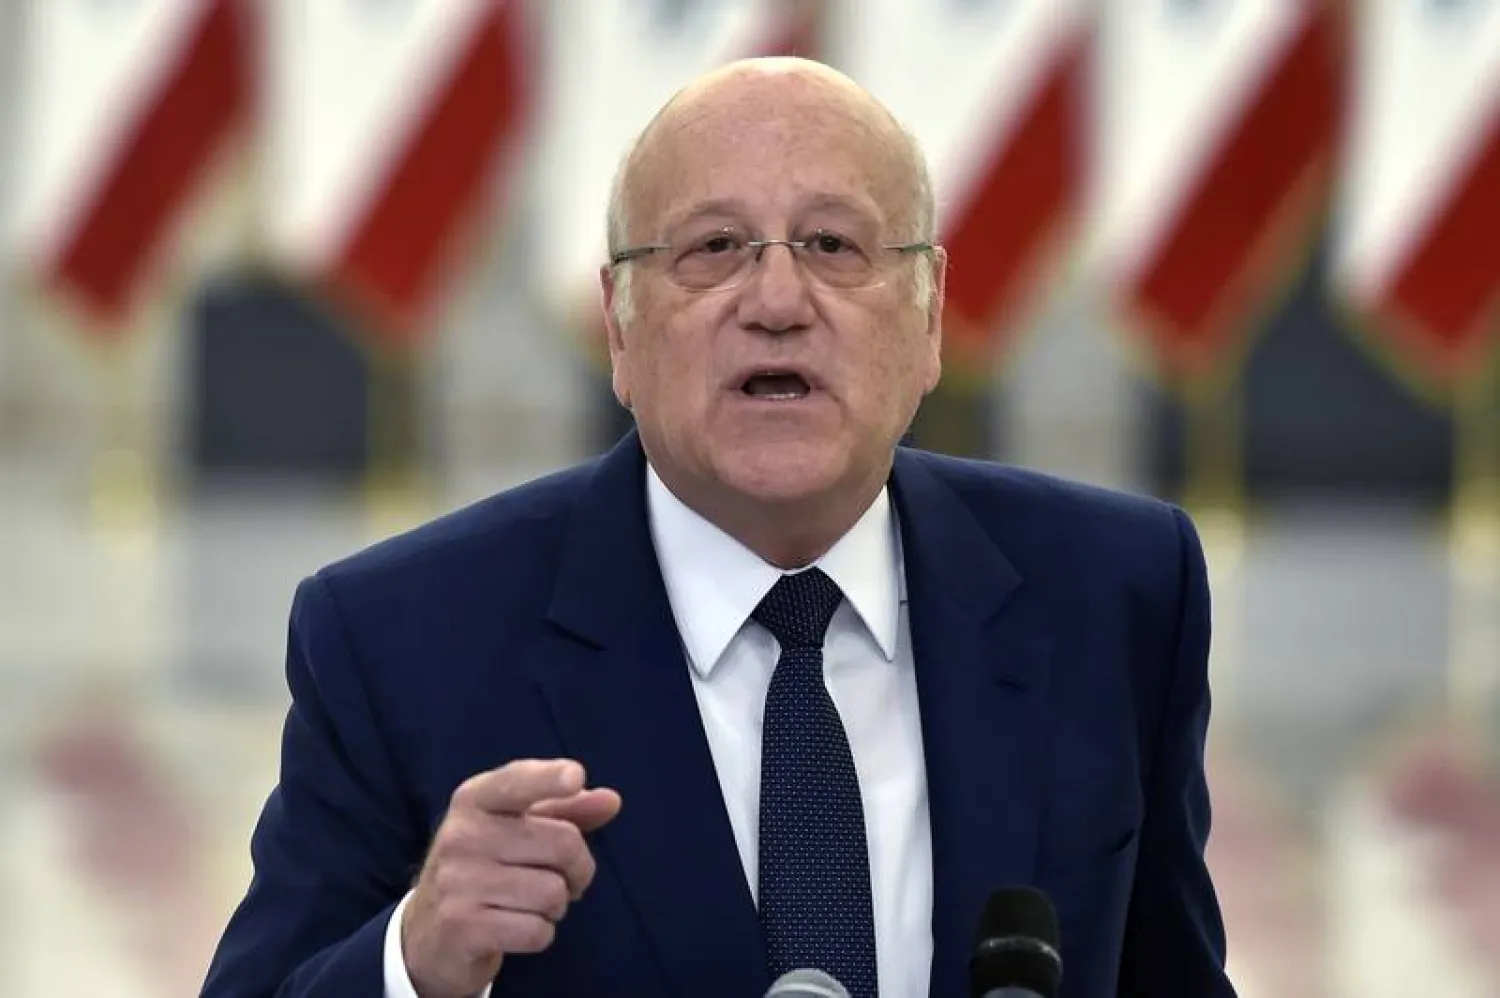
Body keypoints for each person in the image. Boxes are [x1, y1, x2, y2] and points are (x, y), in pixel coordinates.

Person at [199, 57, 1236, 998]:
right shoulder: (400, 637)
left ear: (928, 317)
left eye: (835, 245)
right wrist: (413, 960)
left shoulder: (1118, 595)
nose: (778, 299)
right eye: (713, 248)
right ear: (618, 326)